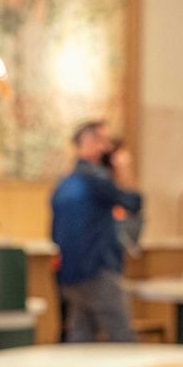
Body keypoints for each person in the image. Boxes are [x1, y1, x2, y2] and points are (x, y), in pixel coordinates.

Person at [52, 120, 142, 343]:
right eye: (105, 141)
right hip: (98, 269)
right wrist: (123, 168)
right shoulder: (97, 180)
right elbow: (133, 202)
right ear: (92, 143)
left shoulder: (64, 184)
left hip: (69, 275)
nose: (109, 148)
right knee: (122, 338)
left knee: (81, 336)